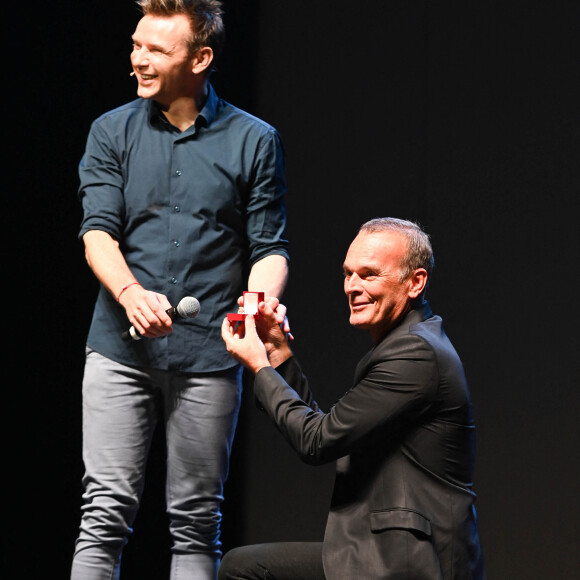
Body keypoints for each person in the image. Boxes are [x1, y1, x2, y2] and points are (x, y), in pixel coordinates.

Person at [71, 1, 289, 578]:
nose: (138, 60)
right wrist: (130, 294)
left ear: (201, 58)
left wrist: (258, 301)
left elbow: (268, 247)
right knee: (104, 514)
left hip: (208, 357)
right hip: (120, 350)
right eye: (136, 45)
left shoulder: (254, 140)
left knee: (196, 523)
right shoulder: (110, 131)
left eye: (156, 50)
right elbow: (97, 233)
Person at [220, 217, 486, 579]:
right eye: (348, 273)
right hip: (377, 553)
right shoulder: (408, 345)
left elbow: (316, 441)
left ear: (415, 282)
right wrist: (276, 353)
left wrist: (258, 366)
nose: (352, 286)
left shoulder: (416, 355)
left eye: (369, 274)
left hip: (411, 564)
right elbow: (326, 430)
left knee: (244, 570)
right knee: (245, 566)